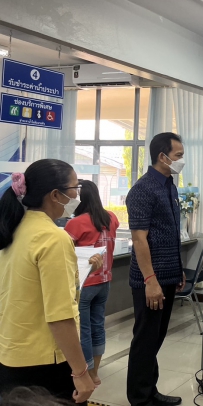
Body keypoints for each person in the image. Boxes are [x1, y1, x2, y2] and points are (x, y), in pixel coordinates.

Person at [0, 160, 98, 404]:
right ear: (55, 195)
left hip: (11, 354)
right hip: (44, 361)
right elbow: (60, 315)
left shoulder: (14, 230)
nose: (77, 195)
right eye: (75, 187)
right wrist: (81, 373)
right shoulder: (53, 239)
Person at [126, 132, 187, 406]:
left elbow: (170, 232)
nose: (182, 160)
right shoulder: (143, 189)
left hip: (168, 275)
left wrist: (178, 268)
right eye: (178, 156)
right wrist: (150, 280)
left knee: (156, 338)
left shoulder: (169, 186)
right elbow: (140, 239)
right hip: (150, 280)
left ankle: (151, 390)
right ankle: (139, 398)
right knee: (145, 339)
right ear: (162, 157)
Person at [64, 180, 120, 386]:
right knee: (98, 326)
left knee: (83, 330)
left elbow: (64, 252)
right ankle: (95, 372)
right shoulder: (111, 217)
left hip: (84, 285)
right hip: (104, 282)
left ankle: (86, 374)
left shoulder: (75, 223)